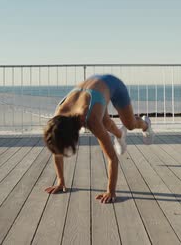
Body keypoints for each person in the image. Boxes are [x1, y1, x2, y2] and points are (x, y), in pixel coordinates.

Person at [43, 74, 153, 203]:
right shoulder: (57, 119)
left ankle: (146, 125)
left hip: (114, 85)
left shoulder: (91, 120)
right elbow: (57, 149)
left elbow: (112, 158)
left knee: (130, 124)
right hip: (96, 92)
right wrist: (60, 181)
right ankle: (120, 136)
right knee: (105, 123)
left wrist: (111, 191)